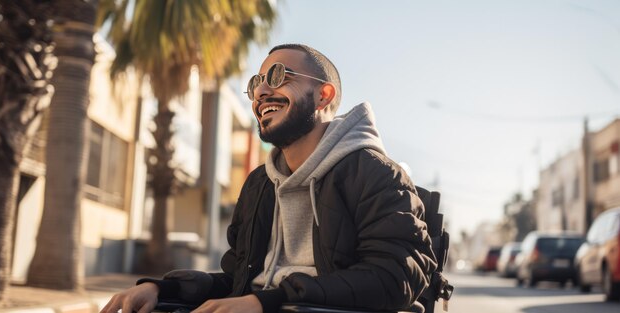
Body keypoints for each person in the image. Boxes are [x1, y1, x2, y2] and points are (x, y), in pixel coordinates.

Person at [101, 43, 437, 313]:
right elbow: (238, 281)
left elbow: (396, 277)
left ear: (324, 95)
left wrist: (267, 301)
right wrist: (163, 287)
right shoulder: (260, 183)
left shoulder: (375, 173)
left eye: (277, 76)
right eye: (256, 83)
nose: (261, 91)